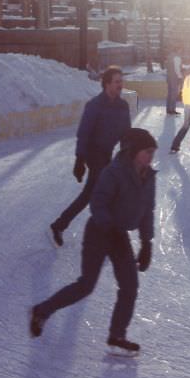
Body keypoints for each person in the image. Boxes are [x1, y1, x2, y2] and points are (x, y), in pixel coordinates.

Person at [31, 128, 158, 355]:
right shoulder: (114, 172)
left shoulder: (149, 177)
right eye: (147, 151)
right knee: (86, 285)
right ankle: (42, 310)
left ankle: (117, 335)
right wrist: (107, 225)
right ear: (135, 152)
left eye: (153, 152)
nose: (151, 156)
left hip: (118, 235)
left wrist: (146, 242)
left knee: (130, 286)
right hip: (99, 232)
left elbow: (148, 211)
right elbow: (97, 203)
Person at [50, 66, 131, 247]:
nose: (120, 85)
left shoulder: (122, 106)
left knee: (94, 193)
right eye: (117, 82)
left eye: (121, 81)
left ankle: (60, 225)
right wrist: (80, 159)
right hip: (93, 152)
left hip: (107, 153)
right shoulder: (95, 105)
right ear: (107, 84)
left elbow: (126, 133)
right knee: (99, 190)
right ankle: (63, 225)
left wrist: (128, 154)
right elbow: (84, 133)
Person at [164, 43, 184, 115]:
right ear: (178, 50)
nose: (181, 51)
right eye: (181, 49)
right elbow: (177, 69)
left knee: (170, 94)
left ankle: (168, 109)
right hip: (174, 77)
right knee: (174, 94)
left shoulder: (170, 56)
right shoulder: (177, 57)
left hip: (169, 77)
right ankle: (172, 109)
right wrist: (180, 77)